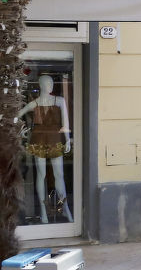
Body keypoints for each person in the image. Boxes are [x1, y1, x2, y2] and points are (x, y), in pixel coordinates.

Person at [17, 75, 72, 223]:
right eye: (47, 83)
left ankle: (65, 207)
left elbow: (65, 123)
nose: (51, 85)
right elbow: (17, 116)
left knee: (59, 175)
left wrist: (67, 139)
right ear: (41, 85)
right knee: (41, 175)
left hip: (55, 139)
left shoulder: (59, 101)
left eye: (52, 83)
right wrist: (21, 130)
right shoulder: (34, 103)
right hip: (39, 139)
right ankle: (43, 211)